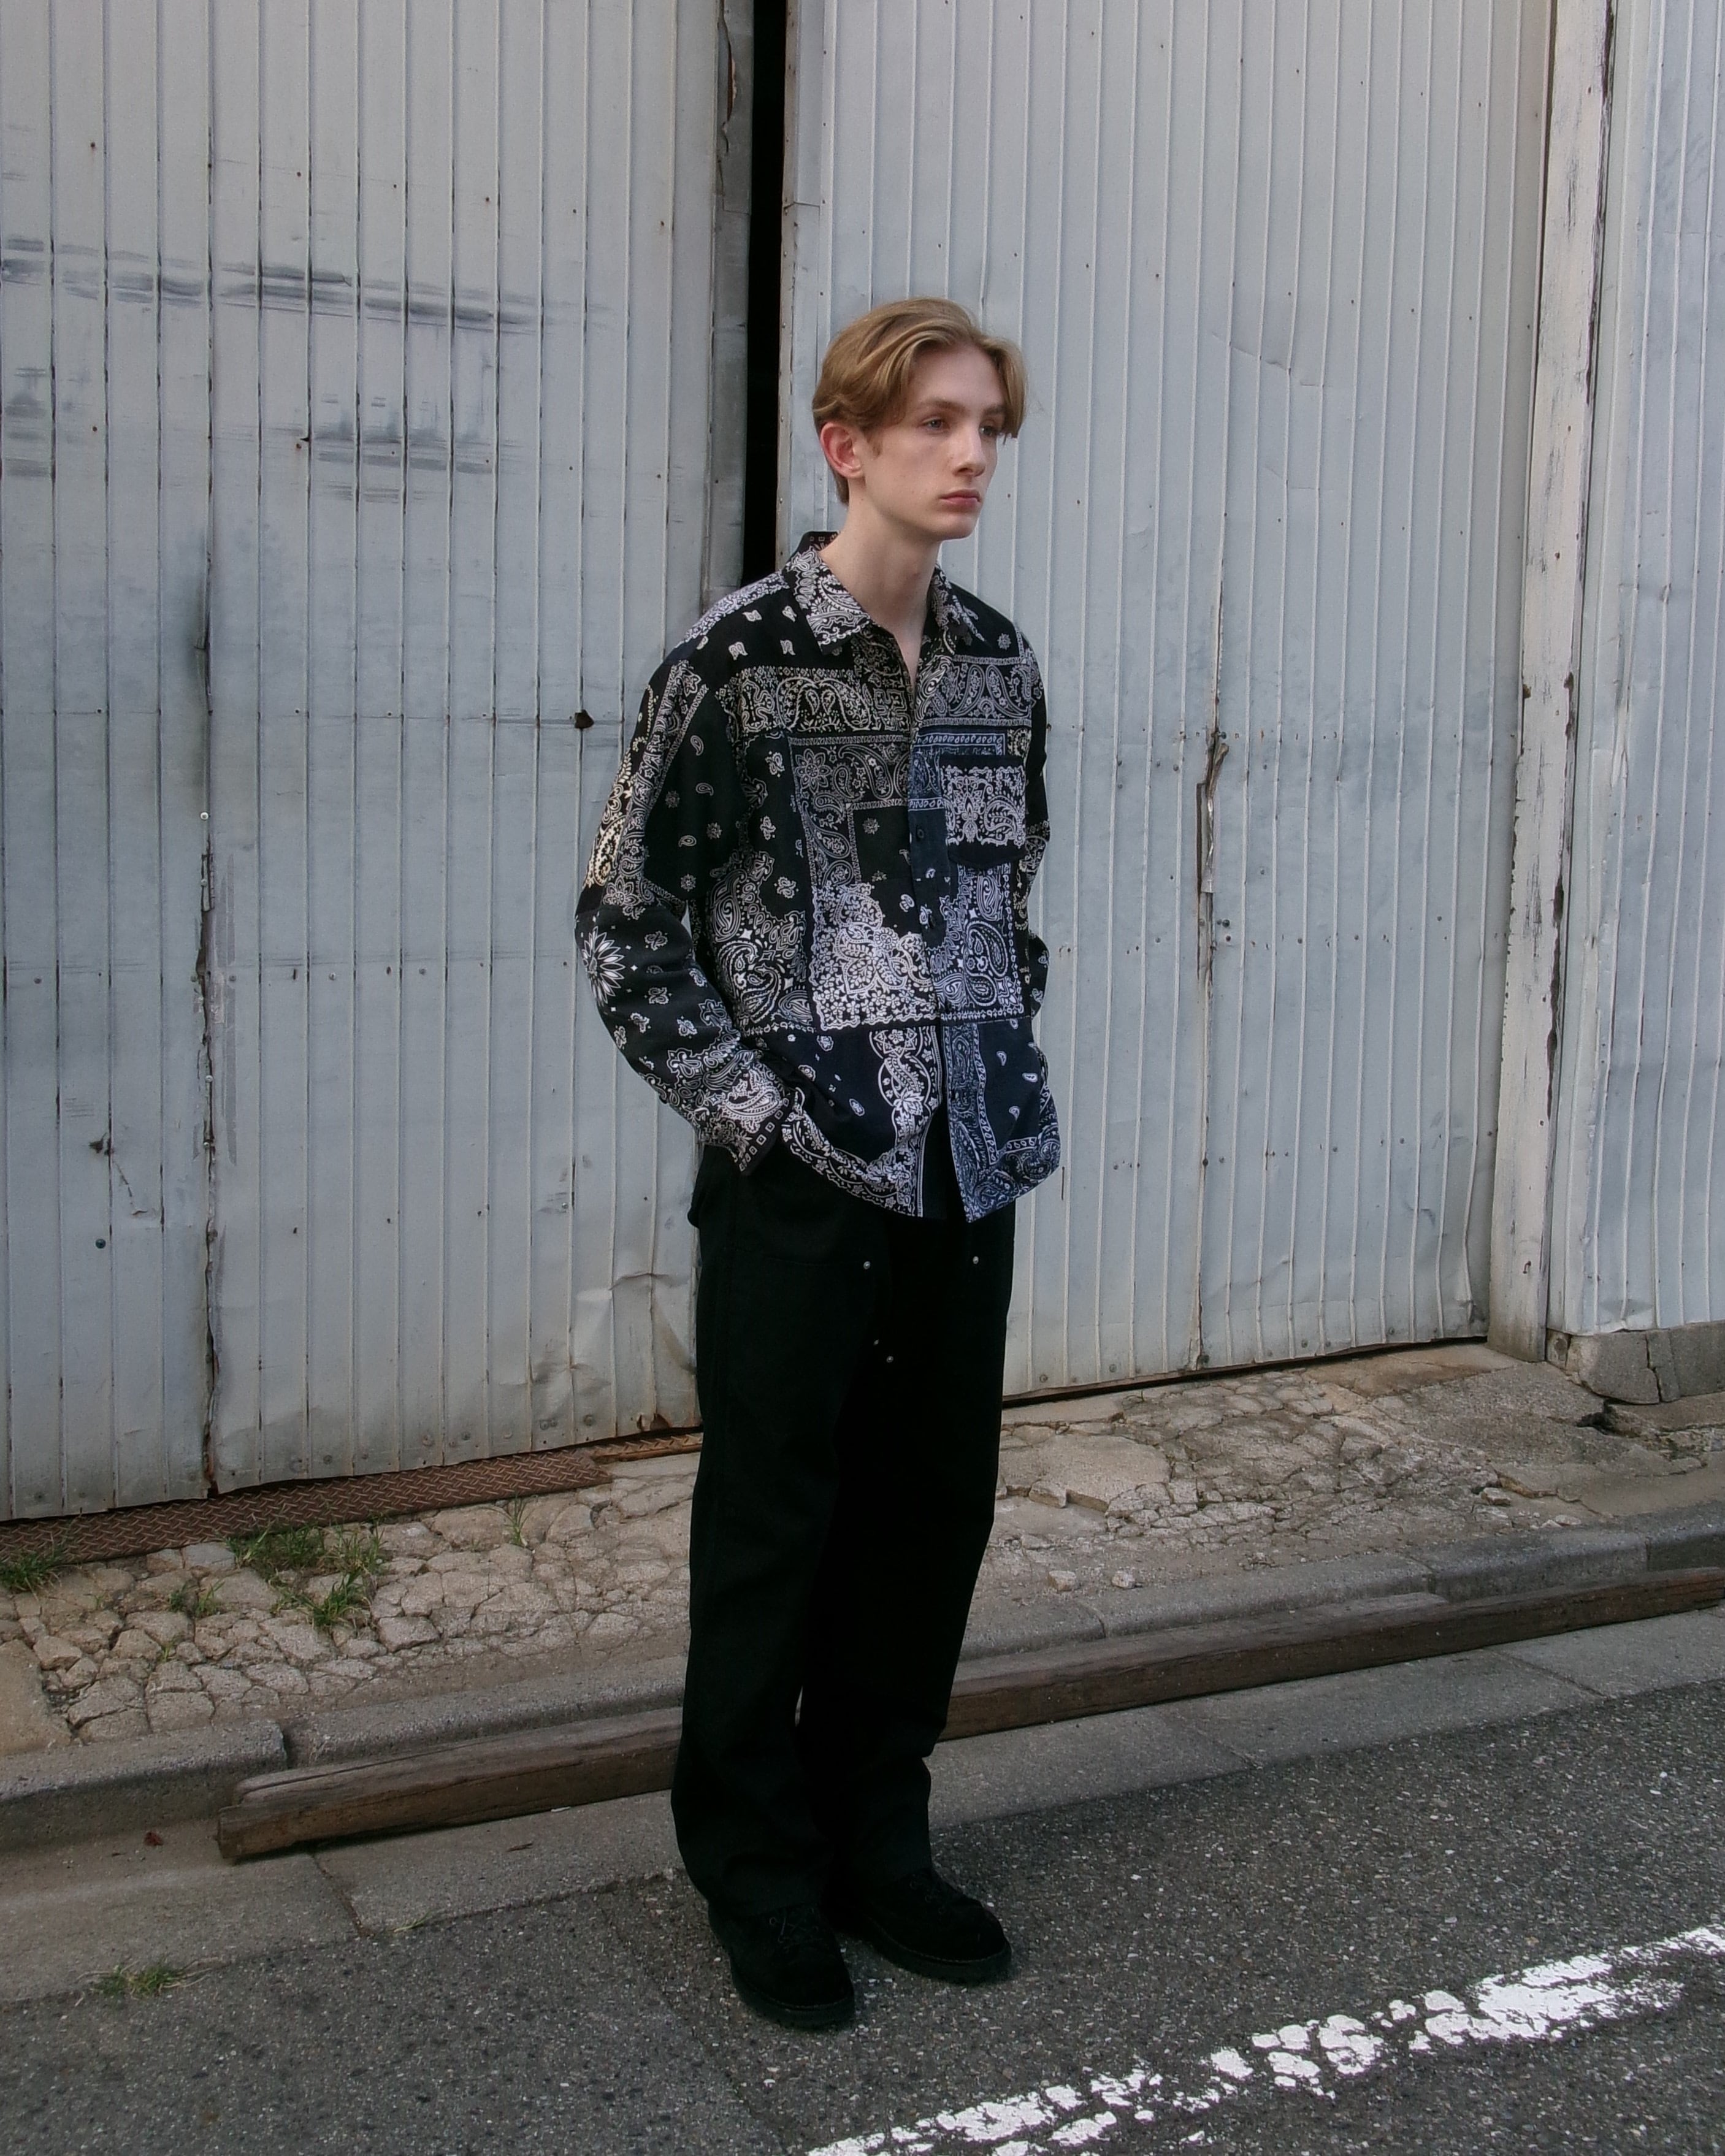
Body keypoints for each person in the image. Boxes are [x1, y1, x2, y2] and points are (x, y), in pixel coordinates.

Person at [578, 297, 1060, 2030]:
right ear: (845, 446)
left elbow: (1010, 902)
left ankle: (878, 1838)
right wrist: (756, 1115)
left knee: (928, 1521)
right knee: (774, 1528)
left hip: (966, 1173)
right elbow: (626, 922)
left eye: (989, 425)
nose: (971, 454)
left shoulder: (1001, 666)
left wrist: (1000, 1049)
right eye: (936, 423)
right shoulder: (733, 666)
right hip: (800, 1181)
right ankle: (757, 1870)